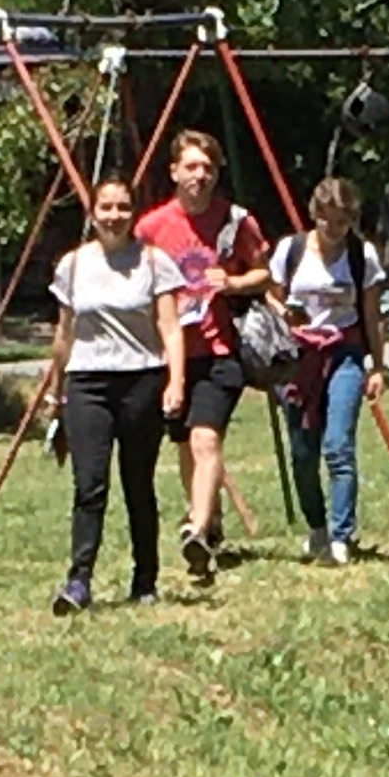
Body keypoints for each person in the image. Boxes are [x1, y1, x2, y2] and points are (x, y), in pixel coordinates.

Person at [35, 175, 186, 614]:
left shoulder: (154, 262)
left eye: (123, 208)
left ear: (133, 213)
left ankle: (145, 578)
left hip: (140, 380)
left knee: (138, 483)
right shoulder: (73, 266)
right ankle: (79, 581)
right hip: (88, 383)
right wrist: (56, 392)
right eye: (106, 208)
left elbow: (170, 328)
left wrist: (175, 382)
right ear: (92, 213)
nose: (114, 216)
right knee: (89, 484)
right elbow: (64, 334)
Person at [137, 129, 272, 584]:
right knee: (184, 445)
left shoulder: (234, 220)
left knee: (205, 438)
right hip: (171, 354)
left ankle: (194, 528)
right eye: (192, 167)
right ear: (174, 171)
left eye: (208, 168)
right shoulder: (152, 228)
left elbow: (264, 273)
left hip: (220, 350)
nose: (200, 175)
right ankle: (208, 522)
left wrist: (231, 283)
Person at [271, 178, 386, 567]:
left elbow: (372, 315)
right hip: (298, 359)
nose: (334, 230)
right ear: (313, 216)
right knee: (303, 452)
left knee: (338, 445)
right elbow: (270, 294)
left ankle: (341, 535)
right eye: (327, 221)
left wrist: (377, 366)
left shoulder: (361, 256)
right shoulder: (292, 250)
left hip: (345, 354)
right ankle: (316, 527)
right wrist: (285, 311)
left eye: (342, 222)